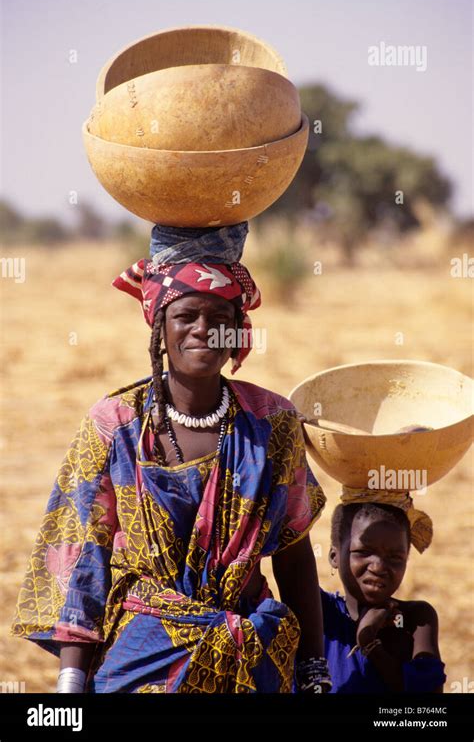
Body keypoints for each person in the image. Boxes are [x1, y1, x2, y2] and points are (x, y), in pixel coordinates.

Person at [11, 222, 330, 694]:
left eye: (220, 316)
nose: (204, 330)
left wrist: (313, 671)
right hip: (140, 658)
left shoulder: (271, 422)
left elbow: (293, 549)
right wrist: (71, 682)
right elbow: (81, 556)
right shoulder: (116, 424)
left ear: (238, 329)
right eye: (186, 316)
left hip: (246, 655)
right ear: (160, 326)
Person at [321, 486, 446, 693]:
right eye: (363, 552)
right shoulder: (321, 613)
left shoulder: (415, 619)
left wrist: (369, 644)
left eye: (395, 558)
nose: (378, 567)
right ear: (334, 556)